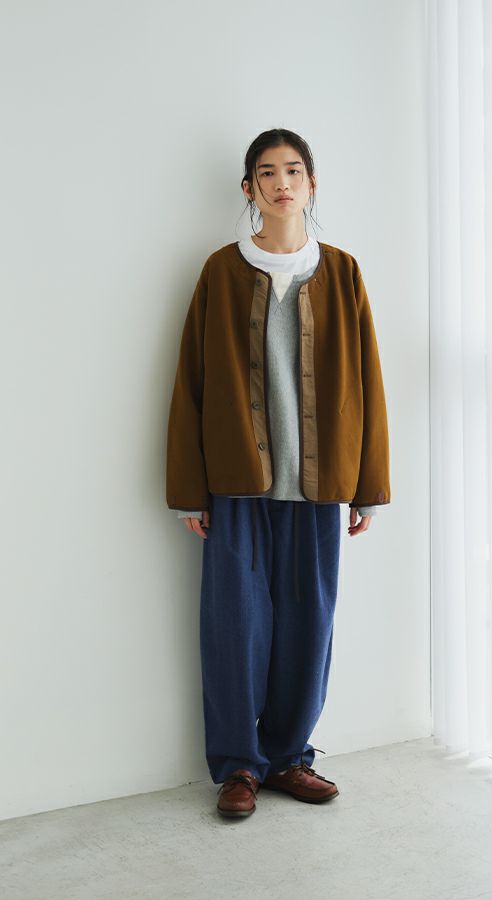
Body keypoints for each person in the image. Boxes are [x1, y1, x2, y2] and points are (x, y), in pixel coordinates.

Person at [166, 128, 391, 818]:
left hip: (321, 485)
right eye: (267, 172)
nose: (281, 183)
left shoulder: (343, 271)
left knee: (308, 623)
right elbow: (191, 383)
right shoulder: (220, 271)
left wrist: (370, 486)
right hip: (237, 481)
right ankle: (239, 765)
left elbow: (369, 381)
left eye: (294, 170)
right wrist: (189, 492)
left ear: (312, 184)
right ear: (249, 188)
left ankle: (291, 757)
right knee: (234, 626)